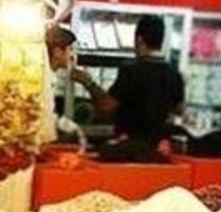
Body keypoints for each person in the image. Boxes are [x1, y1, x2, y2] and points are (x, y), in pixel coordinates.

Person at [72, 15, 185, 150]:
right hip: (158, 149)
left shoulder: (131, 71)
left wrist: (88, 83)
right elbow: (179, 110)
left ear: (139, 40)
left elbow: (107, 106)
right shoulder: (174, 74)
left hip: (130, 147)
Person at [43, 26, 87, 150]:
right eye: (70, 49)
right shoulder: (43, 78)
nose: (73, 55)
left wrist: (71, 127)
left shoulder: (50, 76)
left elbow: (47, 113)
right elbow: (41, 114)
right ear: (58, 51)